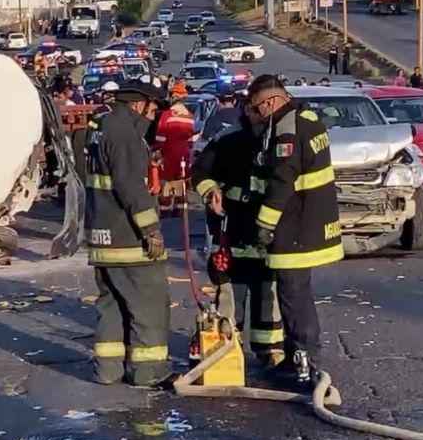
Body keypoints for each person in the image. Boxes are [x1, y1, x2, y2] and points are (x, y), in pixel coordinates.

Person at [247, 75, 344, 392]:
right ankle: (297, 357)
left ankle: (304, 363)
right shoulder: (307, 118)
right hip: (312, 223)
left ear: (271, 102)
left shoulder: (287, 129)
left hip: (296, 227)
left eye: (259, 109)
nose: (258, 116)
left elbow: (282, 181)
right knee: (296, 293)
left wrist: (264, 223)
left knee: (293, 296)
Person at [85, 77, 172, 387]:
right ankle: (148, 372)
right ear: (139, 104)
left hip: (102, 239)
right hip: (129, 241)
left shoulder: (102, 128)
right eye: (153, 110)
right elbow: (132, 189)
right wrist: (151, 231)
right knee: (147, 306)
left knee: (111, 307)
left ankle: (108, 371)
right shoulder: (126, 135)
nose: (153, 117)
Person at [191, 99, 286, 367]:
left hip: (271, 235)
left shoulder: (283, 139)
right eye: (256, 109)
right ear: (247, 110)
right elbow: (199, 172)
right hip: (233, 231)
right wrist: (211, 191)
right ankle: (227, 347)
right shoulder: (227, 140)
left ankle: (271, 351)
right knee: (231, 293)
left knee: (270, 293)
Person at [154, 92, 197, 218]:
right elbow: (191, 138)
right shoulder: (189, 116)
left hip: (169, 151)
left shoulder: (167, 115)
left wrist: (157, 149)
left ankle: (165, 208)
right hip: (184, 152)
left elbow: (161, 136)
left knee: (166, 180)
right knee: (180, 178)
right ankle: (179, 207)